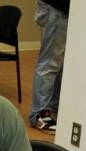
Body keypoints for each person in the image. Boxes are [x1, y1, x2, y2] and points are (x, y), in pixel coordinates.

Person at [29, 0, 69, 134]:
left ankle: (51, 109)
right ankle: (40, 114)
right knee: (49, 64)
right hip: (56, 9)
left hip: (62, 11)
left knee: (60, 65)